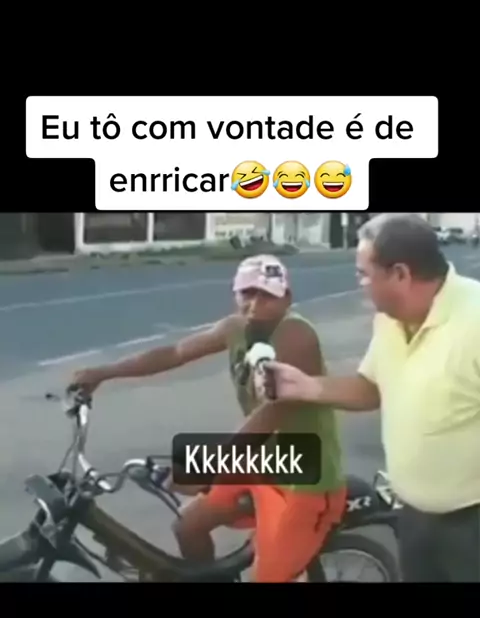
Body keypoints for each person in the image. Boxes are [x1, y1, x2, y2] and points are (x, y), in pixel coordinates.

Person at [68, 255, 346, 583]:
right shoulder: (235, 329)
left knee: (268, 578)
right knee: (188, 526)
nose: (255, 305)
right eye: (247, 293)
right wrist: (103, 372)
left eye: (267, 295)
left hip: (306, 473)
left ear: (287, 298)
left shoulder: (296, 335)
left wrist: (213, 463)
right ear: (235, 295)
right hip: (263, 459)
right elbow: (175, 353)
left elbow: (277, 410)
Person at [264, 214, 480, 583]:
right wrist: (305, 387)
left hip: (470, 527)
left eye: (364, 273)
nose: (360, 283)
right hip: (414, 518)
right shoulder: (391, 319)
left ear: (400, 274)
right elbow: (371, 388)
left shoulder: (473, 321)